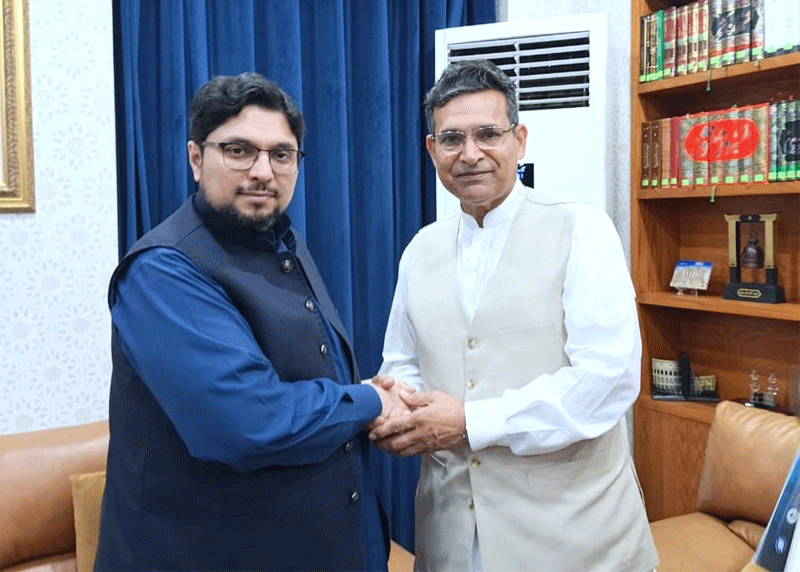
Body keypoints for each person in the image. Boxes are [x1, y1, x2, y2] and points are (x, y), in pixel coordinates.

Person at [95, 72, 407, 572]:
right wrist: (369, 399)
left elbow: (313, 379)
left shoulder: (281, 237)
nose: (263, 171)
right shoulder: (163, 270)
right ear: (196, 159)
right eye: (239, 151)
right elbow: (246, 424)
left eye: (281, 154)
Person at [370, 60, 658, 572]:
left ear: (519, 140)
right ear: (432, 149)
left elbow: (608, 379)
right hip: (450, 538)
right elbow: (403, 362)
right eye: (453, 138)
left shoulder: (582, 229)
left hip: (575, 542)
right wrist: (399, 405)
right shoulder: (419, 250)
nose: (471, 154)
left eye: (488, 134)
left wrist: (470, 421)